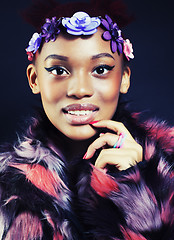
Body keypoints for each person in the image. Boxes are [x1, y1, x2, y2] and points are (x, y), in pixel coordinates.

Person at [0, 0, 173, 239]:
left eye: (100, 69)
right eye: (59, 70)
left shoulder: (168, 168)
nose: (80, 89)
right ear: (34, 79)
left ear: (123, 78)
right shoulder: (5, 186)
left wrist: (136, 188)